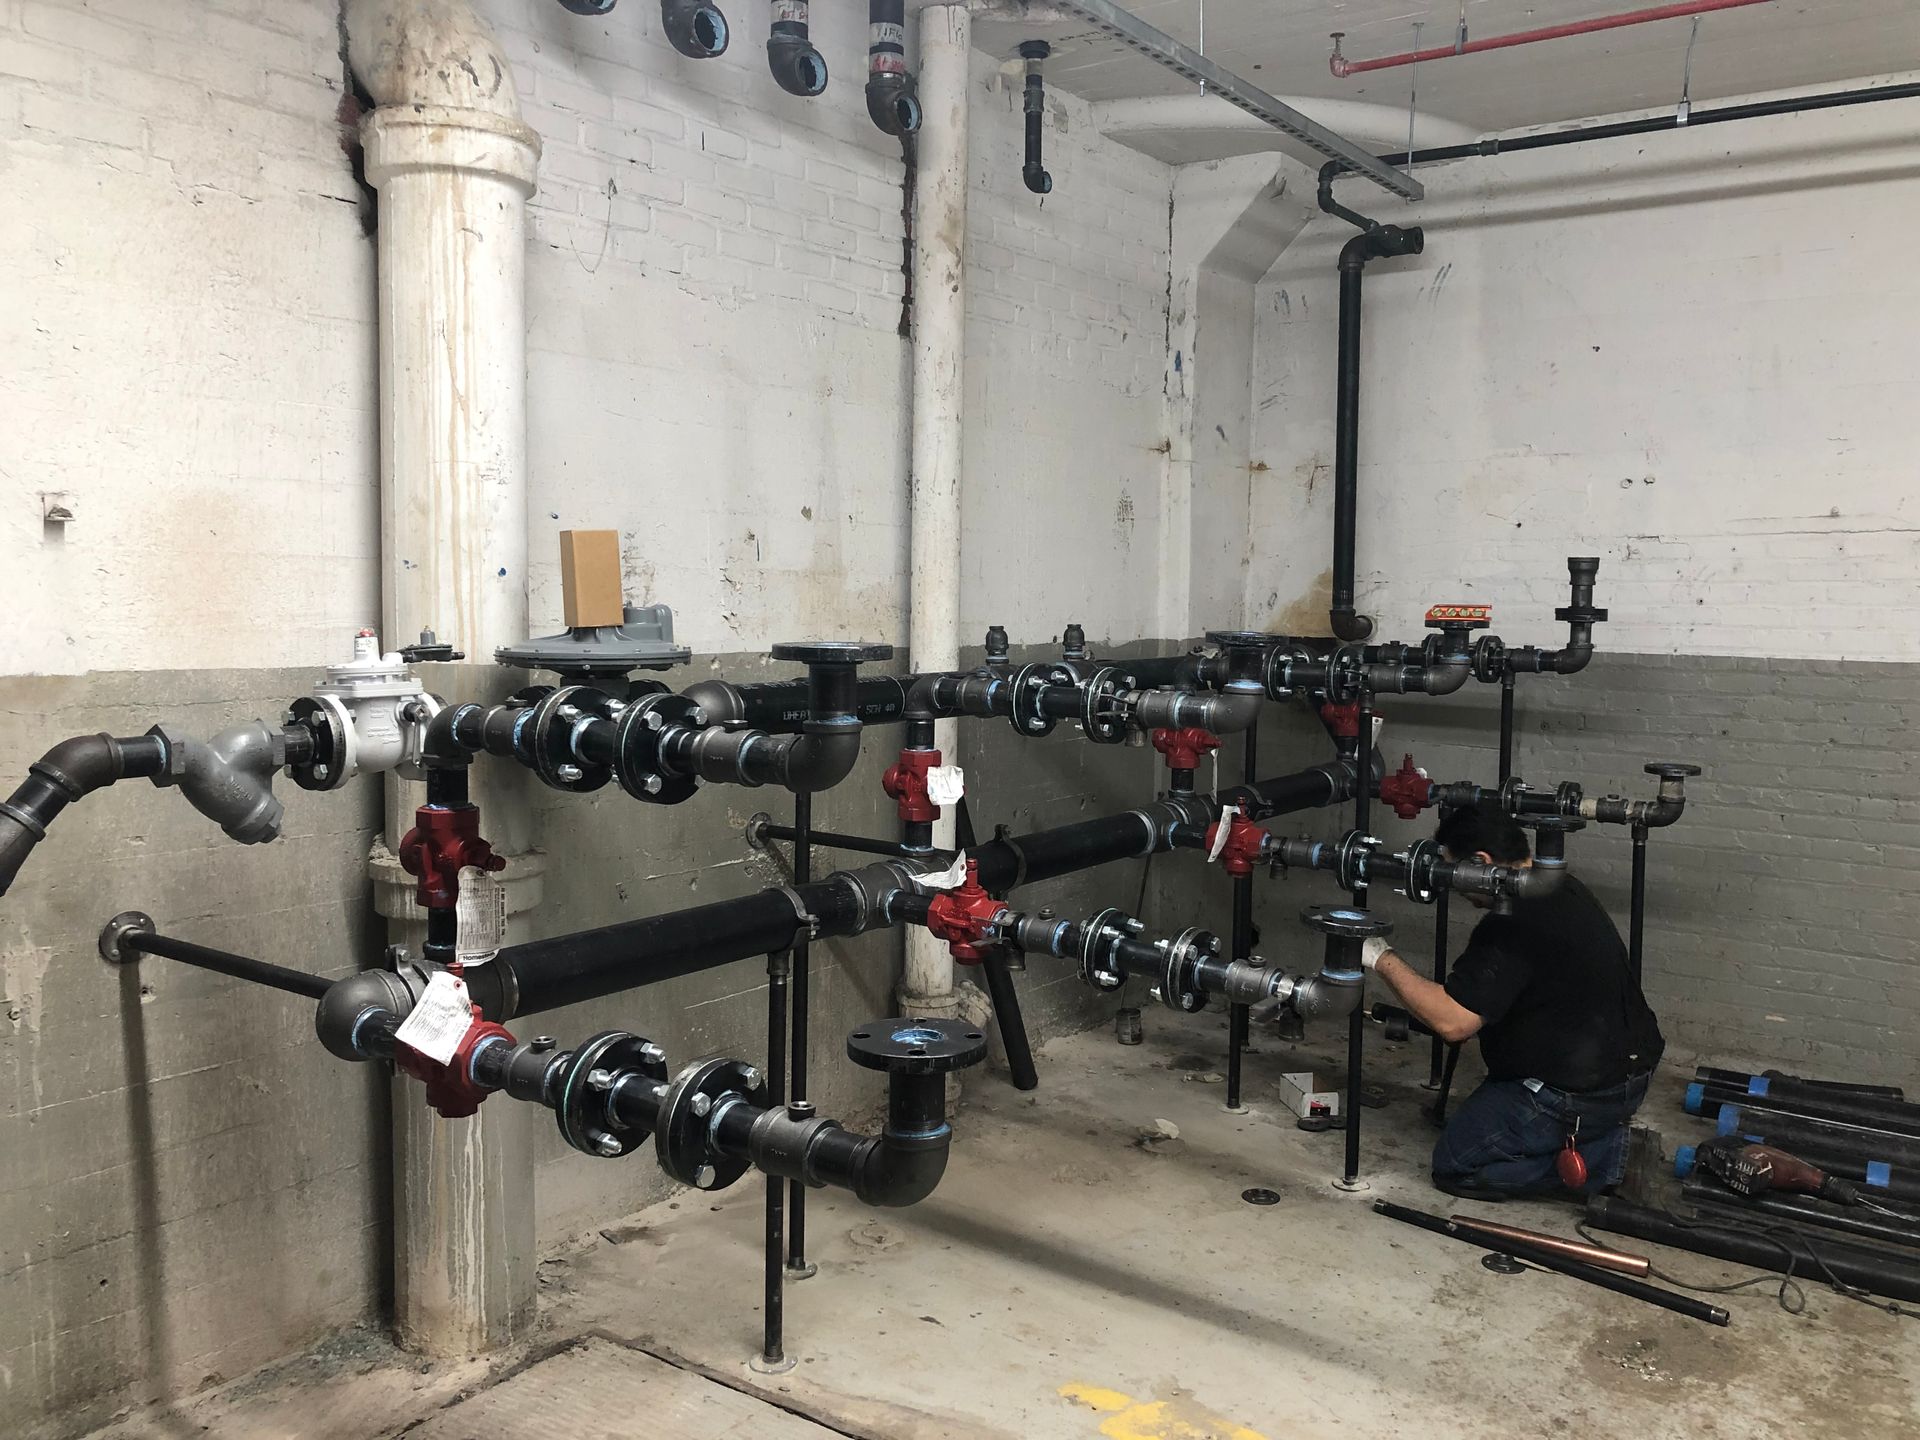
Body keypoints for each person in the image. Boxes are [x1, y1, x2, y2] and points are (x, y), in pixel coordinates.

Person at [1362, 800, 1664, 1200]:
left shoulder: (1510, 924)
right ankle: (1595, 1135)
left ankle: (1612, 1159)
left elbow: (1454, 1022)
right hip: (1627, 1071)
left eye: (1452, 868)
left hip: (1580, 1093)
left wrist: (1379, 957)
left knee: (1456, 1165)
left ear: (1479, 861)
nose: (1449, 880)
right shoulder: (1559, 886)